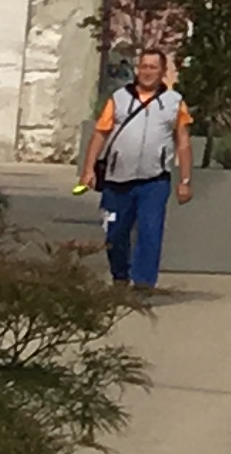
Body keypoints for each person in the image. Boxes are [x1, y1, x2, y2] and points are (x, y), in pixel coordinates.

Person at [81, 48, 191, 294]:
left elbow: (182, 142)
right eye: (144, 67)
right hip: (116, 179)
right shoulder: (119, 98)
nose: (148, 72)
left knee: (150, 231)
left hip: (154, 180)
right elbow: (100, 134)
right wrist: (88, 169)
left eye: (153, 67)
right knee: (115, 233)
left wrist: (185, 179)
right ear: (136, 70)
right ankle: (120, 276)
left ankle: (143, 283)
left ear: (162, 71)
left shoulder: (174, 102)